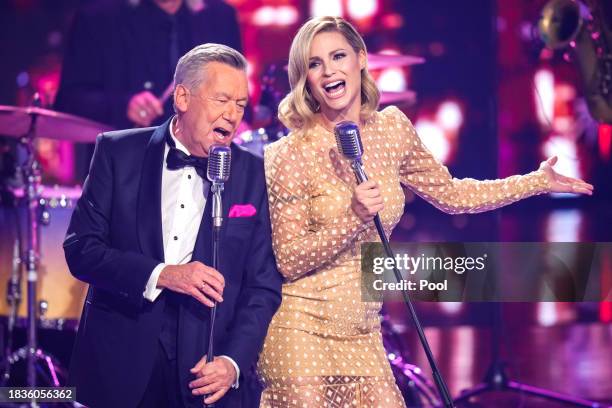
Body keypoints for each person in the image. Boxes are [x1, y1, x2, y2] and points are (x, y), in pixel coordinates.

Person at [257, 16, 594, 407]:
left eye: (338, 56)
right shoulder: (287, 153)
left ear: (361, 59)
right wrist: (352, 217)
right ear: (305, 77)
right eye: (315, 63)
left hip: (364, 334)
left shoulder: (391, 128)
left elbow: (452, 195)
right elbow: (289, 259)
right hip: (301, 333)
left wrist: (535, 181)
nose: (329, 70)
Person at [64, 43, 282, 408]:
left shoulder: (253, 175)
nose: (233, 115)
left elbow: (262, 286)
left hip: (205, 373)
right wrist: (162, 274)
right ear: (182, 97)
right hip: (120, 364)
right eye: (222, 100)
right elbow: (81, 250)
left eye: (241, 104)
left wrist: (232, 361)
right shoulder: (117, 153)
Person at [54, 0, 243, 179]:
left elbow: (240, 98)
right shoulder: (99, 19)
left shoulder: (220, 17)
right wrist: (123, 106)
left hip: (206, 178)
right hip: (127, 178)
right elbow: (68, 102)